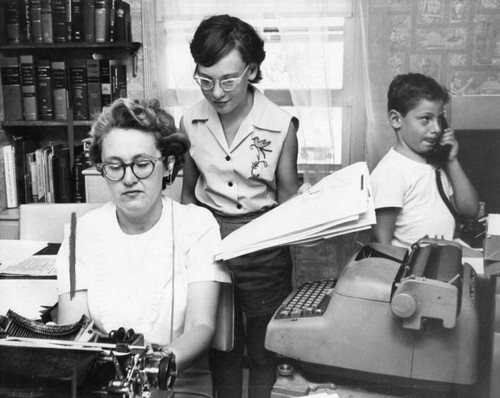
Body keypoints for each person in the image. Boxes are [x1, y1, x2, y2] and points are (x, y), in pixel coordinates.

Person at [56, 98, 231, 395]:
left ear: (168, 166)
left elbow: (201, 327)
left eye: (142, 164)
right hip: (101, 382)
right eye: (115, 166)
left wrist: (152, 369)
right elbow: (73, 332)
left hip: (178, 379)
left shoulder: (198, 226)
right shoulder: (79, 233)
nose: (128, 179)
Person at [179, 14, 300, 398]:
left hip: (264, 243)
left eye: (228, 80)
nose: (216, 92)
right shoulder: (190, 121)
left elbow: (287, 199)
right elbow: (187, 195)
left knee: (264, 350)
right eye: (205, 79)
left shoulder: (281, 125)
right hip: (210, 241)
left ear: (252, 69)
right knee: (222, 347)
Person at [371, 72, 479, 248]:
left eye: (439, 119)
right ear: (396, 119)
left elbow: (470, 210)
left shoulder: (436, 165)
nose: (436, 129)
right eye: (426, 119)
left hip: (441, 263)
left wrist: (451, 160)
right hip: (412, 271)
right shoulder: (390, 172)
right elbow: (382, 242)